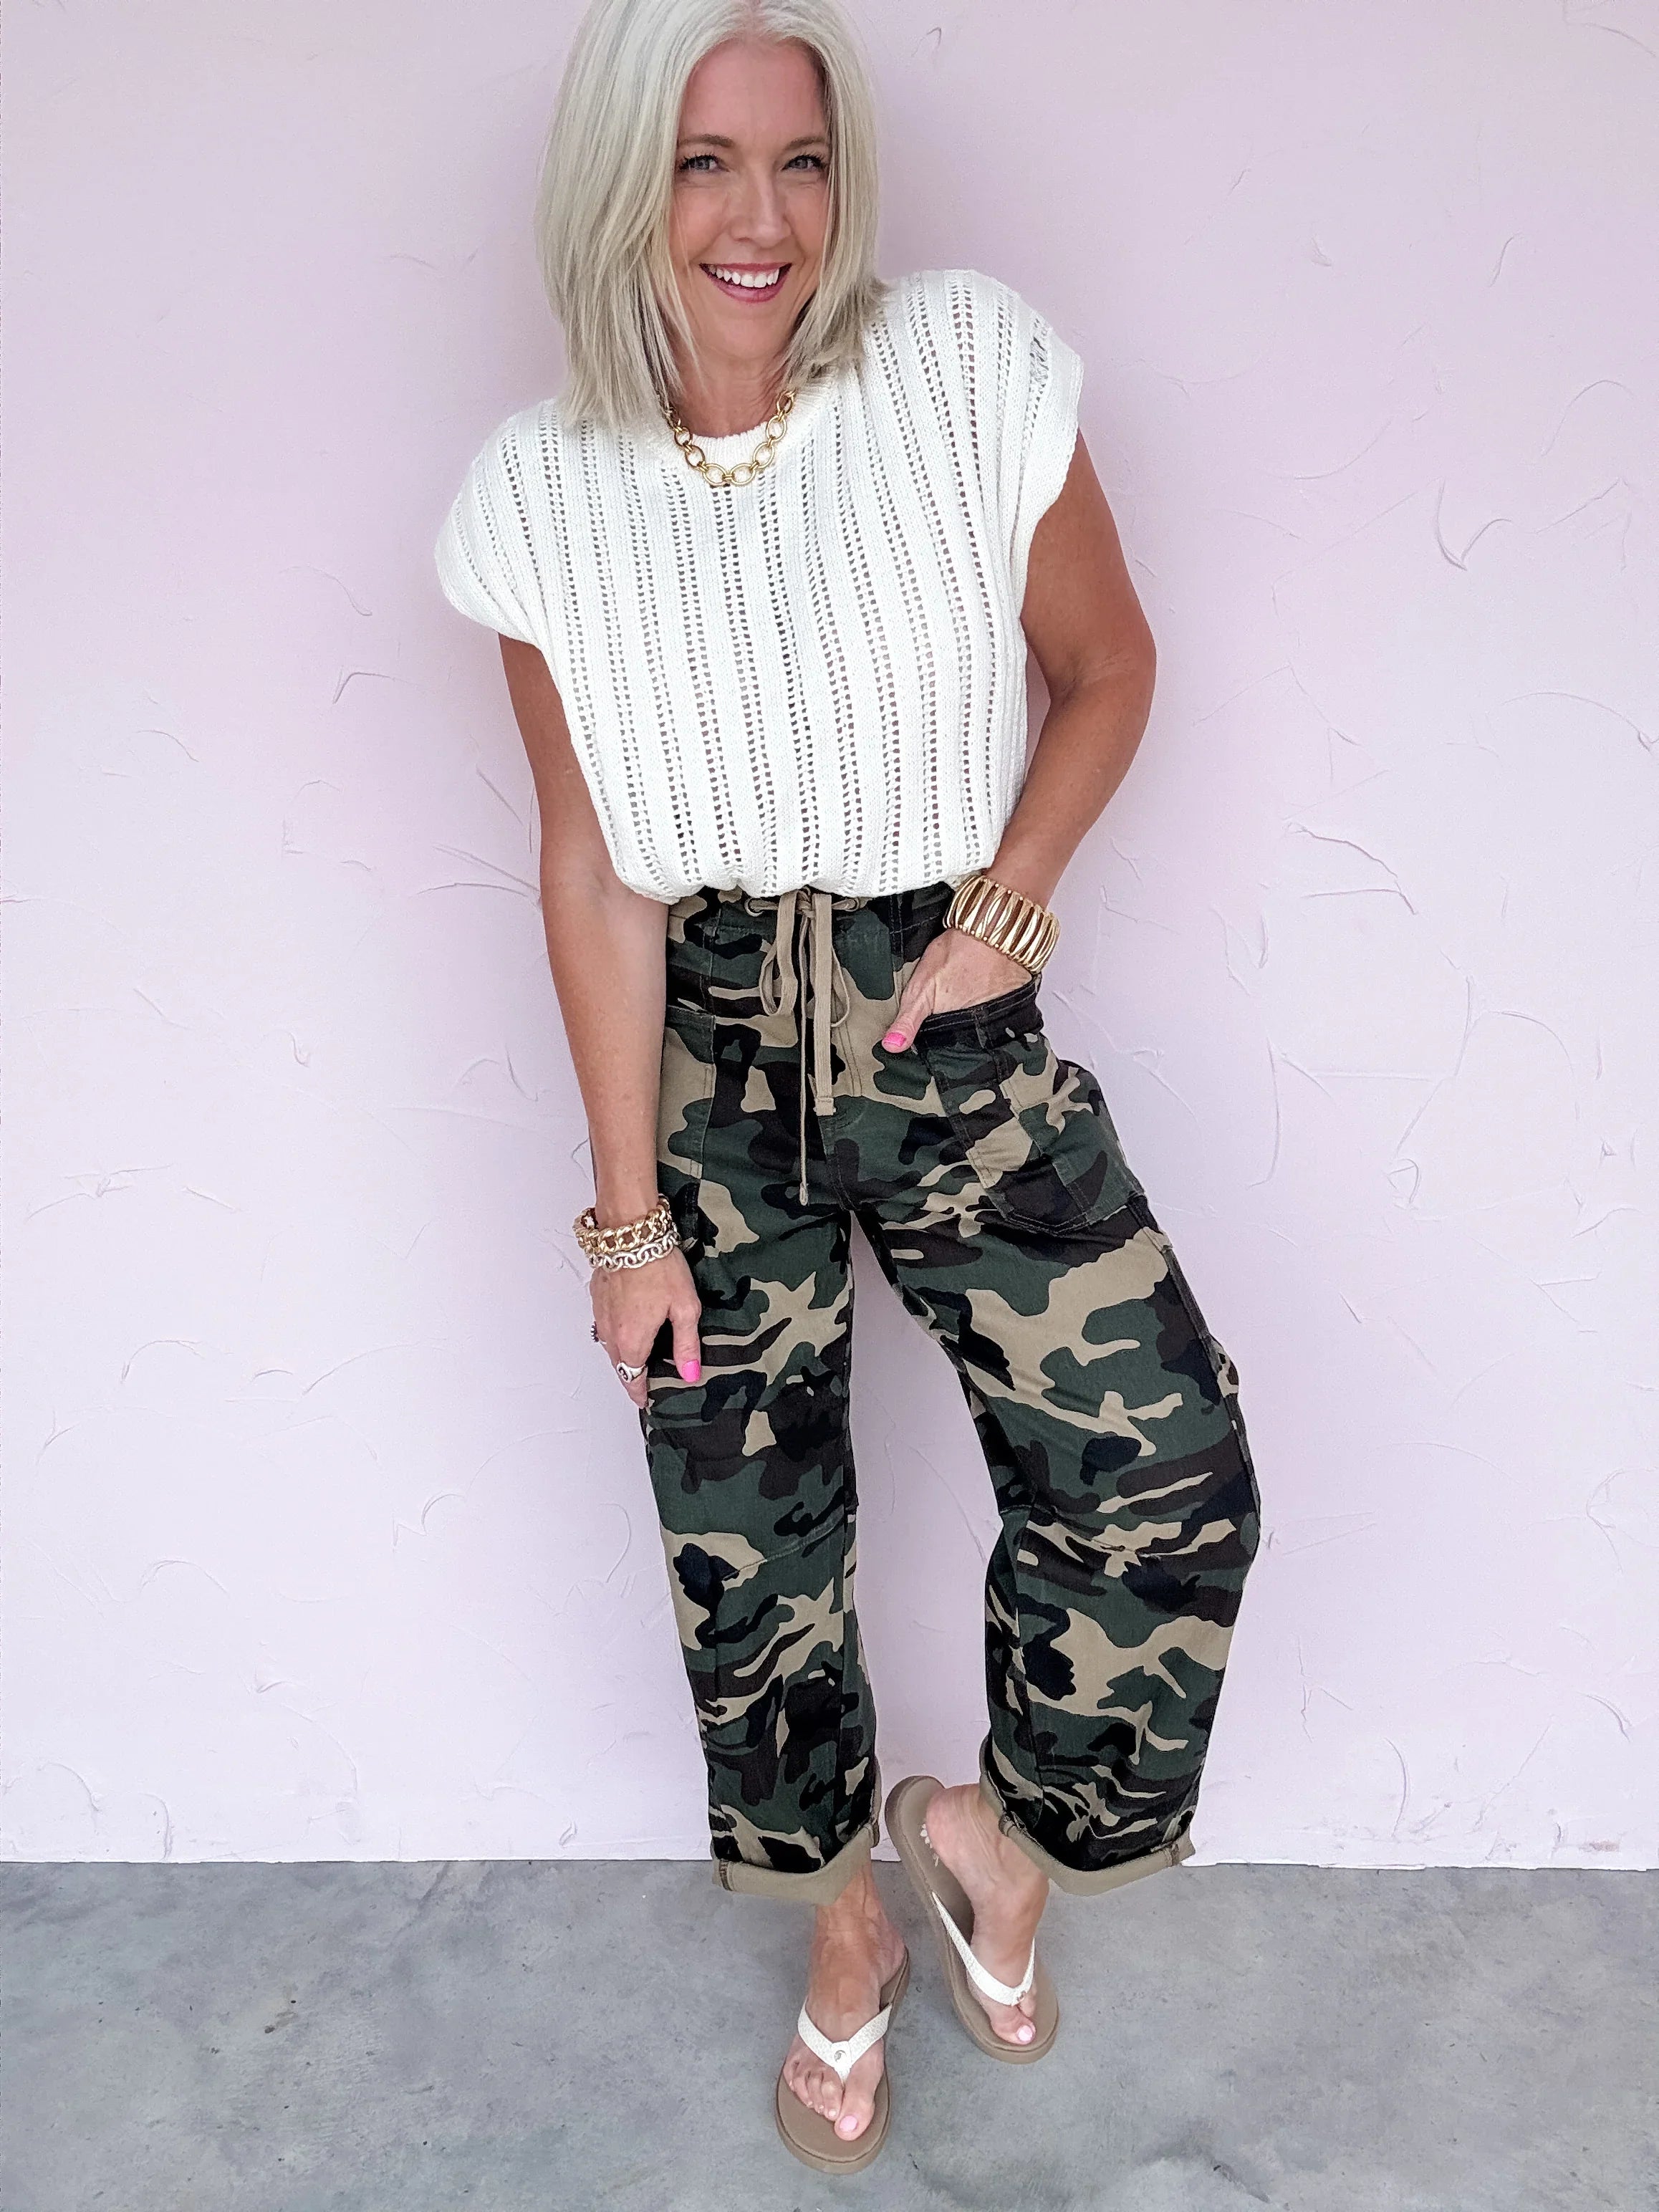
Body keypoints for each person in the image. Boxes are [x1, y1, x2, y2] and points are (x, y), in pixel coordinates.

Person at [436, 0, 1260, 2175]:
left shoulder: (966, 368)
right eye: (703, 162)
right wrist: (626, 1217)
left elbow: (1107, 666)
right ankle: (844, 1927)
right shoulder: (537, 498)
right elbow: (592, 868)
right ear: (622, 186)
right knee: (750, 1558)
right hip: (706, 1056)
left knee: (1162, 1470)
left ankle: (990, 1837)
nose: (762, 216)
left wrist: (1007, 907)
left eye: (799, 161)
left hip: (942, 1023)